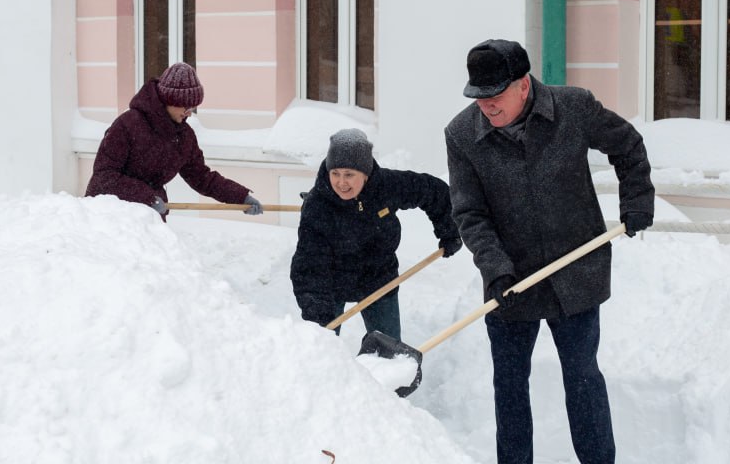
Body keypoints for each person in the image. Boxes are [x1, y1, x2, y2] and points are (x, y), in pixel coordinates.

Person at [444, 39, 654, 464]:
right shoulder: (462, 135)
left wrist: (637, 201)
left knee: (582, 377)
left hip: (575, 272)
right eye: (478, 96)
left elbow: (628, 145)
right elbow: (469, 212)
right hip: (510, 279)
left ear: (524, 85)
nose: (485, 105)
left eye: (495, 94)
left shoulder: (574, 109)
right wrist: (495, 268)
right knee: (510, 386)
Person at [291, 128, 462, 341]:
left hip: (378, 278)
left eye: (349, 175)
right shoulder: (318, 205)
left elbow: (433, 191)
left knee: (389, 352)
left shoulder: (386, 186)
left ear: (366, 172)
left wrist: (449, 231)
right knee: (320, 349)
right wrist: (318, 314)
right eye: (335, 173)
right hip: (331, 282)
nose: (341, 183)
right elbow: (309, 266)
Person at [85, 63, 263, 218]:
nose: (189, 113)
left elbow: (202, 178)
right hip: (106, 217)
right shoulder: (128, 125)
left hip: (148, 218)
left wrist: (241, 197)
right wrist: (146, 197)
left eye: (192, 107)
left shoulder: (184, 136)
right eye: (185, 107)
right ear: (167, 100)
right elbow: (104, 177)